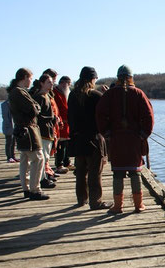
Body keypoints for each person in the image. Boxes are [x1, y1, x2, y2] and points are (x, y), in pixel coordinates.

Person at [96, 65, 154, 214]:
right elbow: (149, 116)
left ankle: (118, 206)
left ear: (118, 77)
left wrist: (107, 133)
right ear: (131, 77)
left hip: (116, 139)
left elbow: (100, 115)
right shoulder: (139, 94)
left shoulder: (109, 95)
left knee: (118, 173)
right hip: (134, 139)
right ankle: (138, 205)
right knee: (135, 173)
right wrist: (143, 134)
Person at [68, 66, 112, 210]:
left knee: (80, 171)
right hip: (94, 139)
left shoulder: (72, 95)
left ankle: (81, 199)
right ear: (92, 79)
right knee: (95, 172)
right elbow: (107, 112)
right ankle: (96, 201)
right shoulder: (95, 95)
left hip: (77, 139)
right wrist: (107, 94)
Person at [6, 68, 49, 200]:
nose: (31, 81)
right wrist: (36, 106)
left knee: (25, 159)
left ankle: (26, 188)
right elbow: (34, 109)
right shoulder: (19, 92)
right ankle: (35, 190)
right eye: (30, 78)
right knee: (38, 159)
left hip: (21, 129)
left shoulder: (14, 92)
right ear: (24, 77)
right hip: (28, 130)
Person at [32, 74, 57, 189]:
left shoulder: (47, 96)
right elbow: (38, 115)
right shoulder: (40, 97)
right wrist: (51, 118)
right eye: (48, 82)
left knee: (46, 157)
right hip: (43, 131)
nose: (51, 84)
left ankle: (44, 176)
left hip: (49, 130)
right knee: (43, 157)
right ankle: (41, 179)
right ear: (42, 83)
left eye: (52, 82)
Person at [53, 76, 72, 173]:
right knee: (60, 145)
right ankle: (59, 164)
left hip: (67, 123)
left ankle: (66, 162)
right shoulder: (55, 93)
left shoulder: (66, 93)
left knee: (66, 144)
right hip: (60, 123)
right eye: (68, 84)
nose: (68, 86)